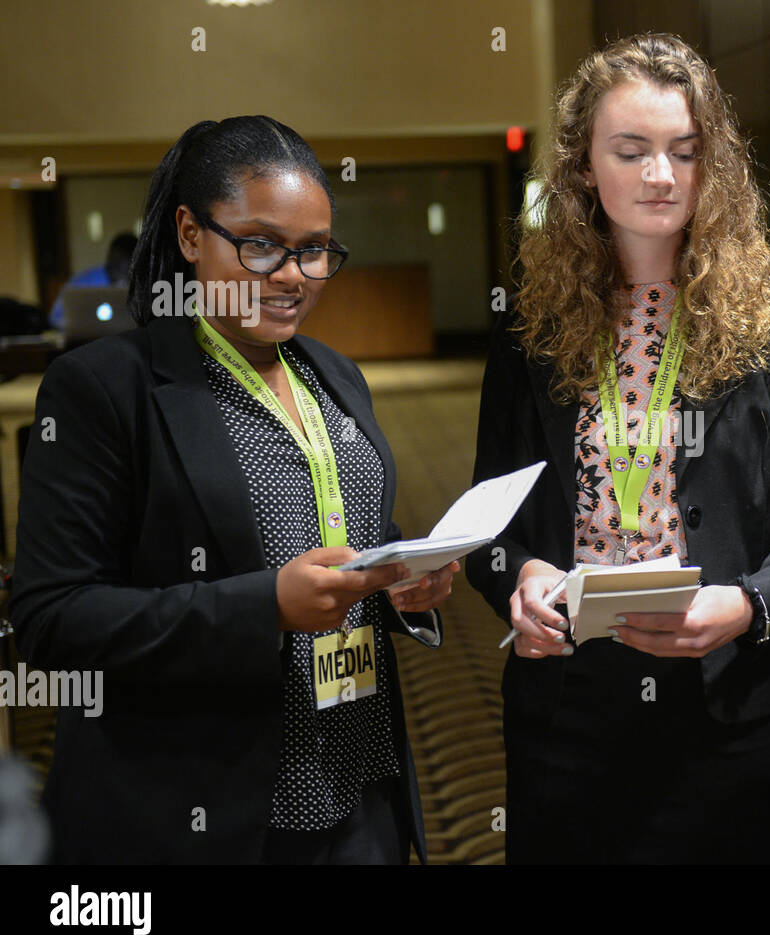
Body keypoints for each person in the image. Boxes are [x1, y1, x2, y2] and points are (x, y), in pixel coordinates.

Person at [11, 115, 458, 864]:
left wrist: (405, 585)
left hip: (358, 791)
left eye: (315, 251)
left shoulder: (336, 376)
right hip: (207, 812)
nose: (292, 274)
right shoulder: (105, 389)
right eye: (260, 245)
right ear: (190, 233)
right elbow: (52, 620)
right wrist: (263, 607)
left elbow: (342, 543)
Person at [466, 33, 770, 864]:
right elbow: (485, 528)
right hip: (567, 707)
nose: (660, 175)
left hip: (726, 700)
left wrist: (749, 604)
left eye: (684, 150)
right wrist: (518, 579)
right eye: (631, 150)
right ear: (582, 167)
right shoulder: (530, 328)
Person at [48, 231, 137, 330]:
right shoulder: (81, 283)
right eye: (118, 265)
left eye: (128, 268)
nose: (122, 274)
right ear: (109, 259)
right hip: (85, 342)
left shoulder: (143, 284)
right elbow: (55, 318)